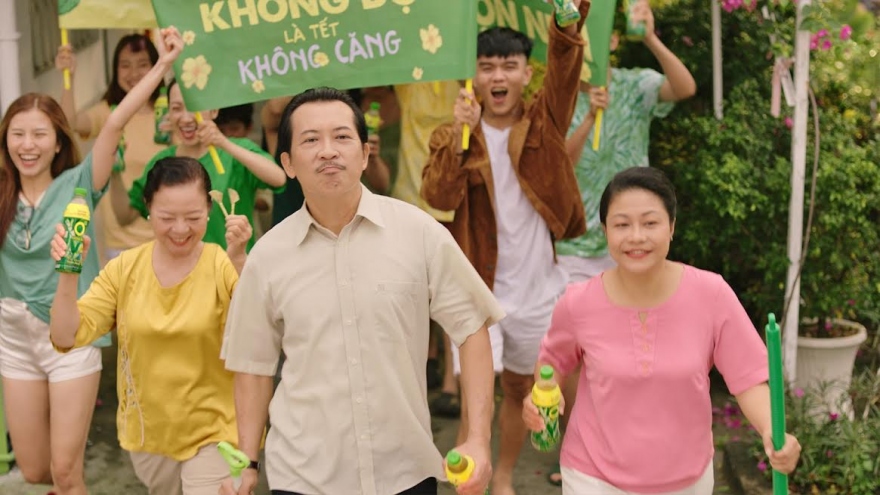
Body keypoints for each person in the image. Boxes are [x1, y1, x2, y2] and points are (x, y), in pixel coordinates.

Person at [218, 87, 503, 495]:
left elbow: (472, 327)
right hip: (303, 476)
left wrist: (477, 438)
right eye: (310, 140)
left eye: (342, 137)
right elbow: (253, 364)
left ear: (366, 154)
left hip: (404, 472)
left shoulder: (418, 232)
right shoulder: (268, 256)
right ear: (288, 164)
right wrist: (247, 460)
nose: (328, 151)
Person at [523, 166, 802, 494]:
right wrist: (539, 399)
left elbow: (749, 379)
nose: (636, 237)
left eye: (650, 223)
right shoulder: (578, 302)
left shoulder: (711, 294)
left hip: (687, 480)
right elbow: (552, 365)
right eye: (622, 224)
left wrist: (772, 430)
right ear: (606, 231)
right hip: (593, 477)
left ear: (671, 227)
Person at [0, 26, 182, 495]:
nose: (27, 145)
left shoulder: (79, 183)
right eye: (18, 134)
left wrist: (163, 66)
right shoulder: (2, 193)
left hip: (72, 334)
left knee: (66, 473)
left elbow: (116, 121)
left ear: (58, 142)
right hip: (13, 337)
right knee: (36, 470)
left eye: (39, 134)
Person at [420, 1, 590, 493]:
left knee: (520, 390)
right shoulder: (453, 134)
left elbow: (565, 69)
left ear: (525, 74)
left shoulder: (543, 123)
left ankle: (506, 478)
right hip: (477, 292)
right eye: (487, 66)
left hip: (537, 291)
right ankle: (470, 484)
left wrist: (567, 22)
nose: (498, 76)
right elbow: (438, 197)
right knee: (475, 404)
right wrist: (461, 137)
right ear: (473, 76)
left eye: (509, 66)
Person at [548, 0, 698, 485]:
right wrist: (588, 115)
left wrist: (650, 38)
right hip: (577, 243)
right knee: (575, 357)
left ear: (612, 41)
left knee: (634, 352)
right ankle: (577, 448)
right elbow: (557, 166)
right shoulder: (559, 94)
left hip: (633, 245)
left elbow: (685, 87)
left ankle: (632, 447)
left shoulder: (636, 84)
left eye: (597, 38)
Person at [49, 156, 252, 495]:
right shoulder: (125, 268)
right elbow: (65, 335)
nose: (181, 229)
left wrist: (240, 260)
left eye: (193, 217)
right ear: (148, 210)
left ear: (209, 209)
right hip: (151, 433)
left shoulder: (221, 263)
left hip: (217, 429)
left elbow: (256, 335)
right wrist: (69, 272)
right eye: (167, 218)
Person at [109, 80, 286, 252]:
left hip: (234, 268)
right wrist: (114, 171)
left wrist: (223, 143)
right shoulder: (162, 162)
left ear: (214, 110)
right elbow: (125, 216)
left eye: (195, 107)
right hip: (182, 270)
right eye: (176, 108)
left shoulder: (236, 151)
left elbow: (278, 179)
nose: (186, 118)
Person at [56, 33, 168, 262]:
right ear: (115, 70)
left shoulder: (167, 115)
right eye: (125, 65)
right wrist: (69, 77)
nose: (133, 73)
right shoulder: (109, 113)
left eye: (142, 64)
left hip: (168, 238)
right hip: (121, 244)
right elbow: (68, 124)